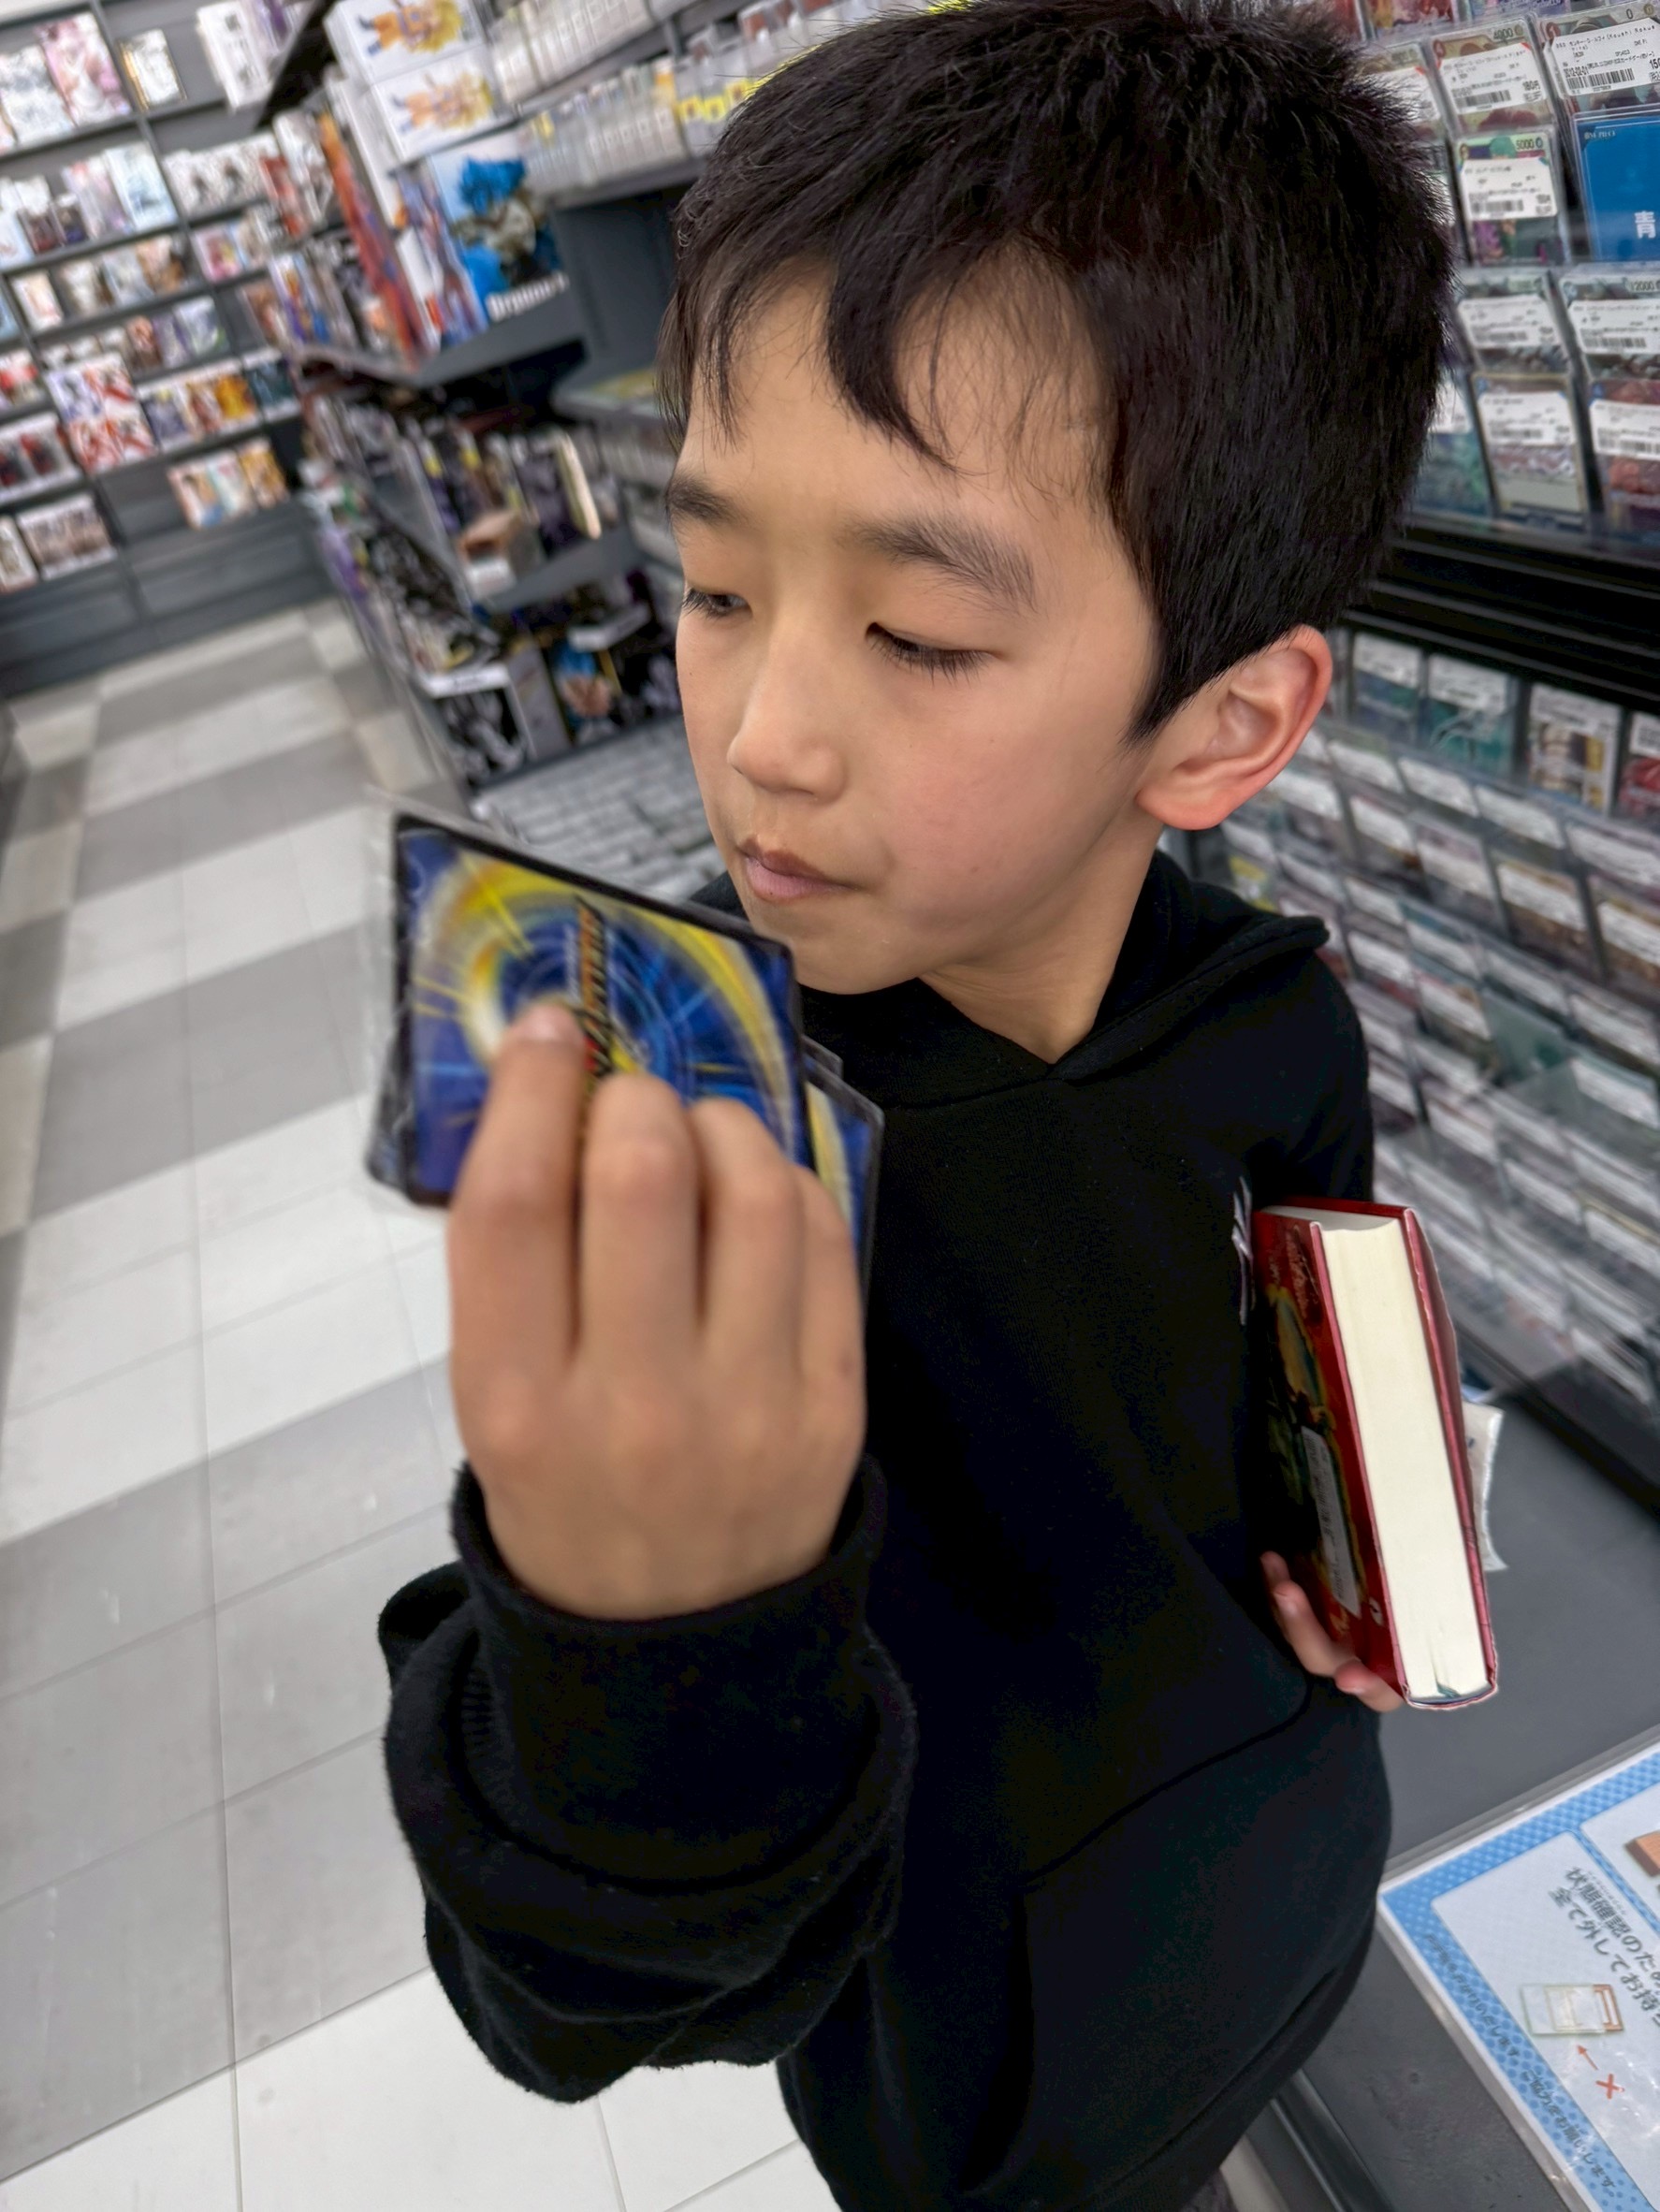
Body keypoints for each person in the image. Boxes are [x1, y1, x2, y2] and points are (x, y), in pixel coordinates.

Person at [379, 4, 1449, 2206]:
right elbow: (570, 1997)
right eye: (714, 584)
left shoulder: (1272, 1023)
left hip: (1287, 1889)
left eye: (920, 634)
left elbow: (1310, 1356)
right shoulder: (685, 1118)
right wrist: (621, 1638)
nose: (757, 733)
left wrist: (1365, 1546)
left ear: (1221, 727)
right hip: (964, 2084)